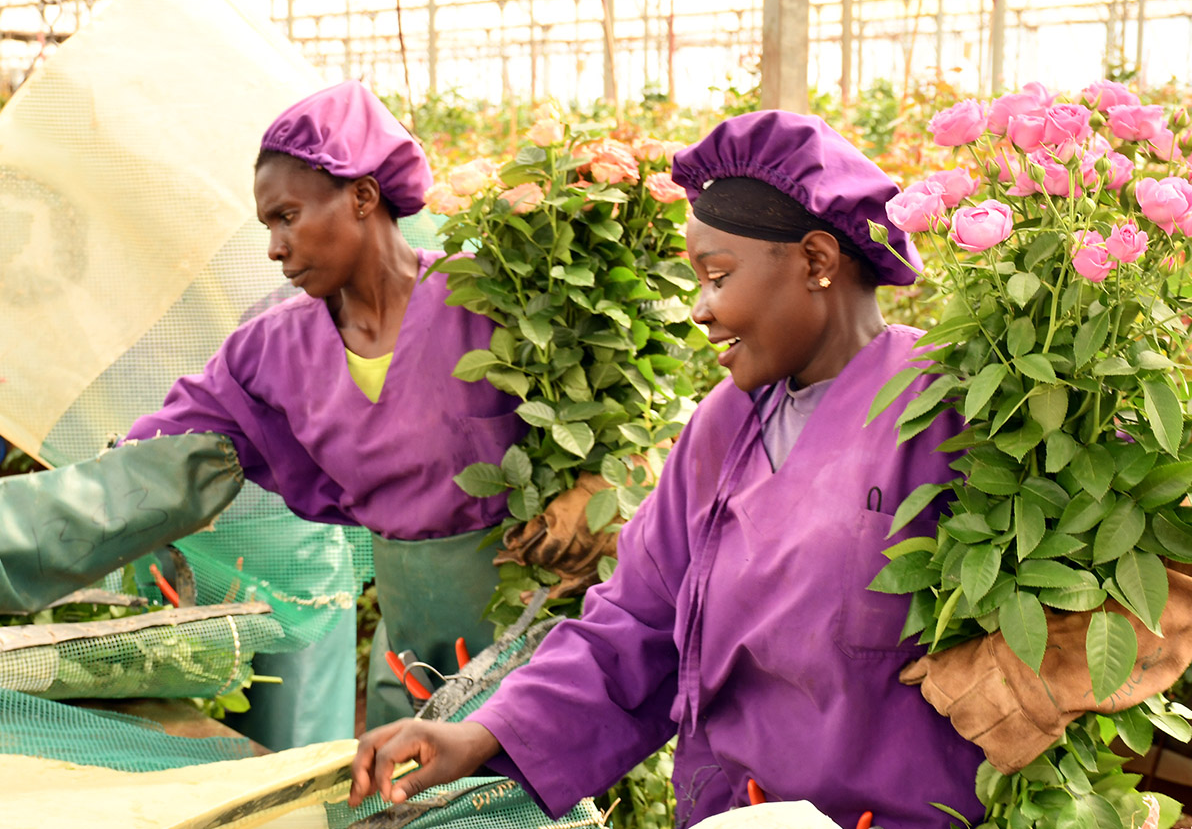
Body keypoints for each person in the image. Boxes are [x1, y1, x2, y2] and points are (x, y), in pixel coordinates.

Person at [348, 111, 985, 827]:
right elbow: (637, 622)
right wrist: (485, 732)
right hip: (729, 810)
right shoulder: (728, 422)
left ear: (815, 261)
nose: (702, 310)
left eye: (718, 277)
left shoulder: (951, 405)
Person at [120, 80, 524, 728]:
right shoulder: (274, 346)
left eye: (287, 217)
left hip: (525, 650)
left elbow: (604, 420)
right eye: (268, 226)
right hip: (409, 659)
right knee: (402, 799)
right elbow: (156, 451)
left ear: (363, 196)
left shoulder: (486, 303)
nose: (275, 247)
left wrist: (582, 492)